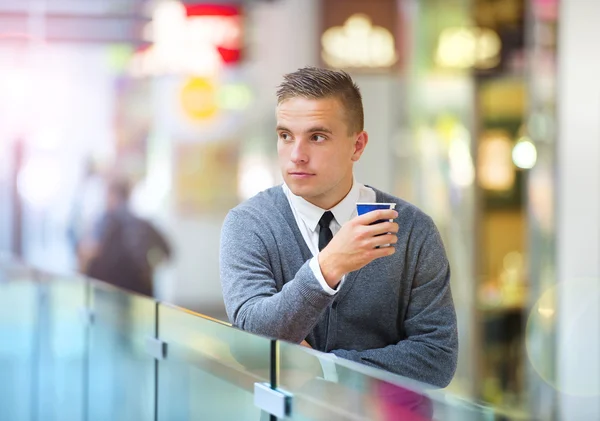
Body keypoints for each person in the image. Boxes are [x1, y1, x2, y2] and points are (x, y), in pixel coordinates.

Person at [220, 67, 457, 388]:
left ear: (357, 145)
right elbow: (253, 342)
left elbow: (437, 357)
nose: (297, 155)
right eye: (285, 135)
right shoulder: (249, 224)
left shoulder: (413, 229)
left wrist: (326, 368)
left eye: (317, 137)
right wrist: (328, 266)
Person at [80, 175, 172, 297]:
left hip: (108, 291)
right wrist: (149, 267)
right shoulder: (144, 224)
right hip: (140, 293)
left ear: (111, 195)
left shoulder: (103, 222)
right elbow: (168, 252)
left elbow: (87, 253)